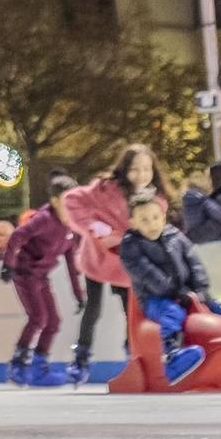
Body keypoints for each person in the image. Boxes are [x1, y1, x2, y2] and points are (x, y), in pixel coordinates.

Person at [118, 192, 221, 386]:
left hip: (188, 293)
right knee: (171, 314)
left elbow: (194, 262)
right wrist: (173, 292)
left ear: (163, 217)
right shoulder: (130, 246)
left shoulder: (175, 236)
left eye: (155, 218)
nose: (151, 224)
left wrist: (201, 289)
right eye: (144, 220)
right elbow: (147, 273)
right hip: (156, 299)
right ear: (133, 223)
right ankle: (171, 356)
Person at [59, 143, 170, 384]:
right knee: (93, 308)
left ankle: (135, 356)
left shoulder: (156, 201)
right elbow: (72, 200)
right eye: (135, 169)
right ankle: (81, 357)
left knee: (131, 311)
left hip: (128, 264)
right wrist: (94, 227)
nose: (141, 175)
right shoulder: (105, 189)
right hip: (98, 259)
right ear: (124, 168)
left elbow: (157, 231)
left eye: (146, 169)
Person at [1, 177, 84, 387]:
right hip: (24, 272)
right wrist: (8, 264)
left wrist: (78, 294)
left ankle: (39, 367)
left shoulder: (71, 226)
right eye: (67, 199)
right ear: (55, 200)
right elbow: (17, 236)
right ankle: (18, 364)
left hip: (41, 276)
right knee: (38, 318)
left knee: (53, 322)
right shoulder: (44, 219)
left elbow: (71, 262)